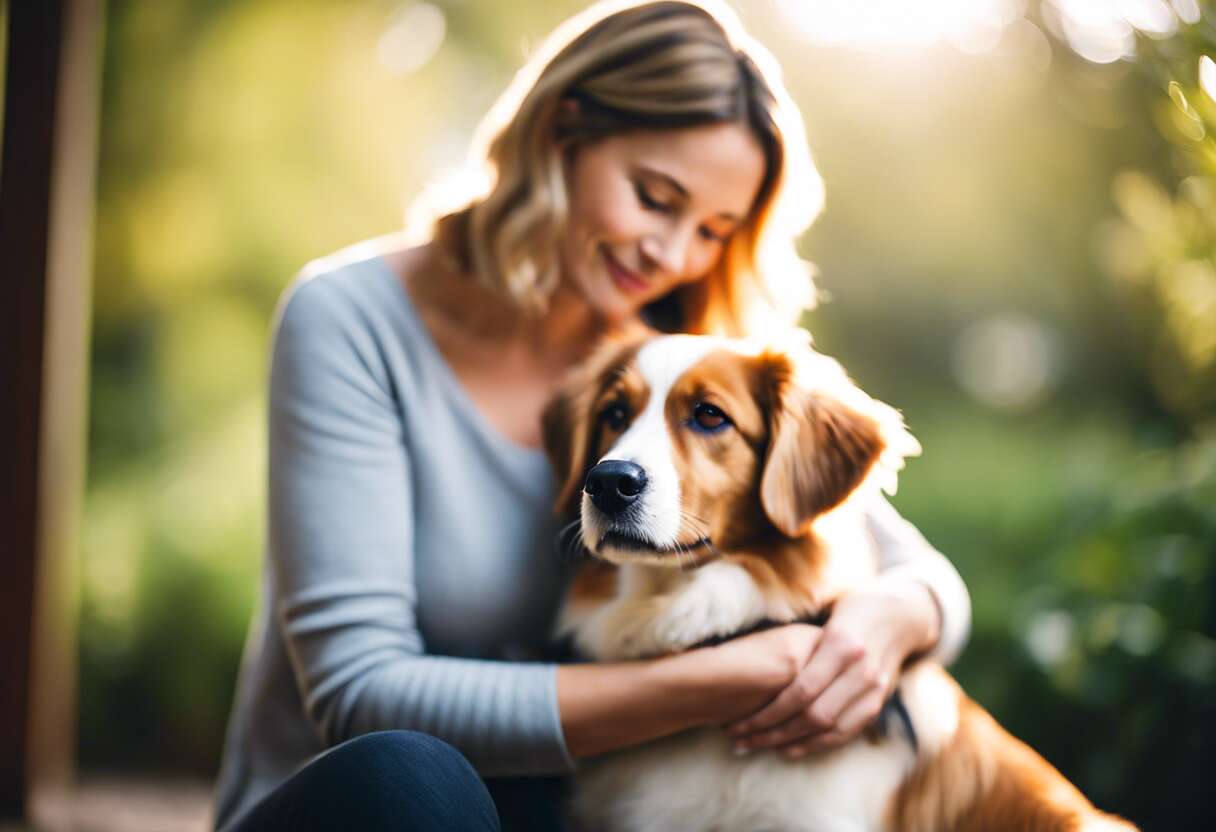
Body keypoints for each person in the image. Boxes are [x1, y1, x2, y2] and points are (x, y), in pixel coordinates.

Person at [212, 1, 971, 829]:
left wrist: (895, 619)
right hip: (367, 804)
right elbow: (359, 694)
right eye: (654, 197)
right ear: (562, 132)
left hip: (556, 803)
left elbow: (913, 568)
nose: (674, 254)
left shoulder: (677, 345)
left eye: (715, 230)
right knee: (413, 780)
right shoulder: (348, 320)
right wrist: (724, 681)